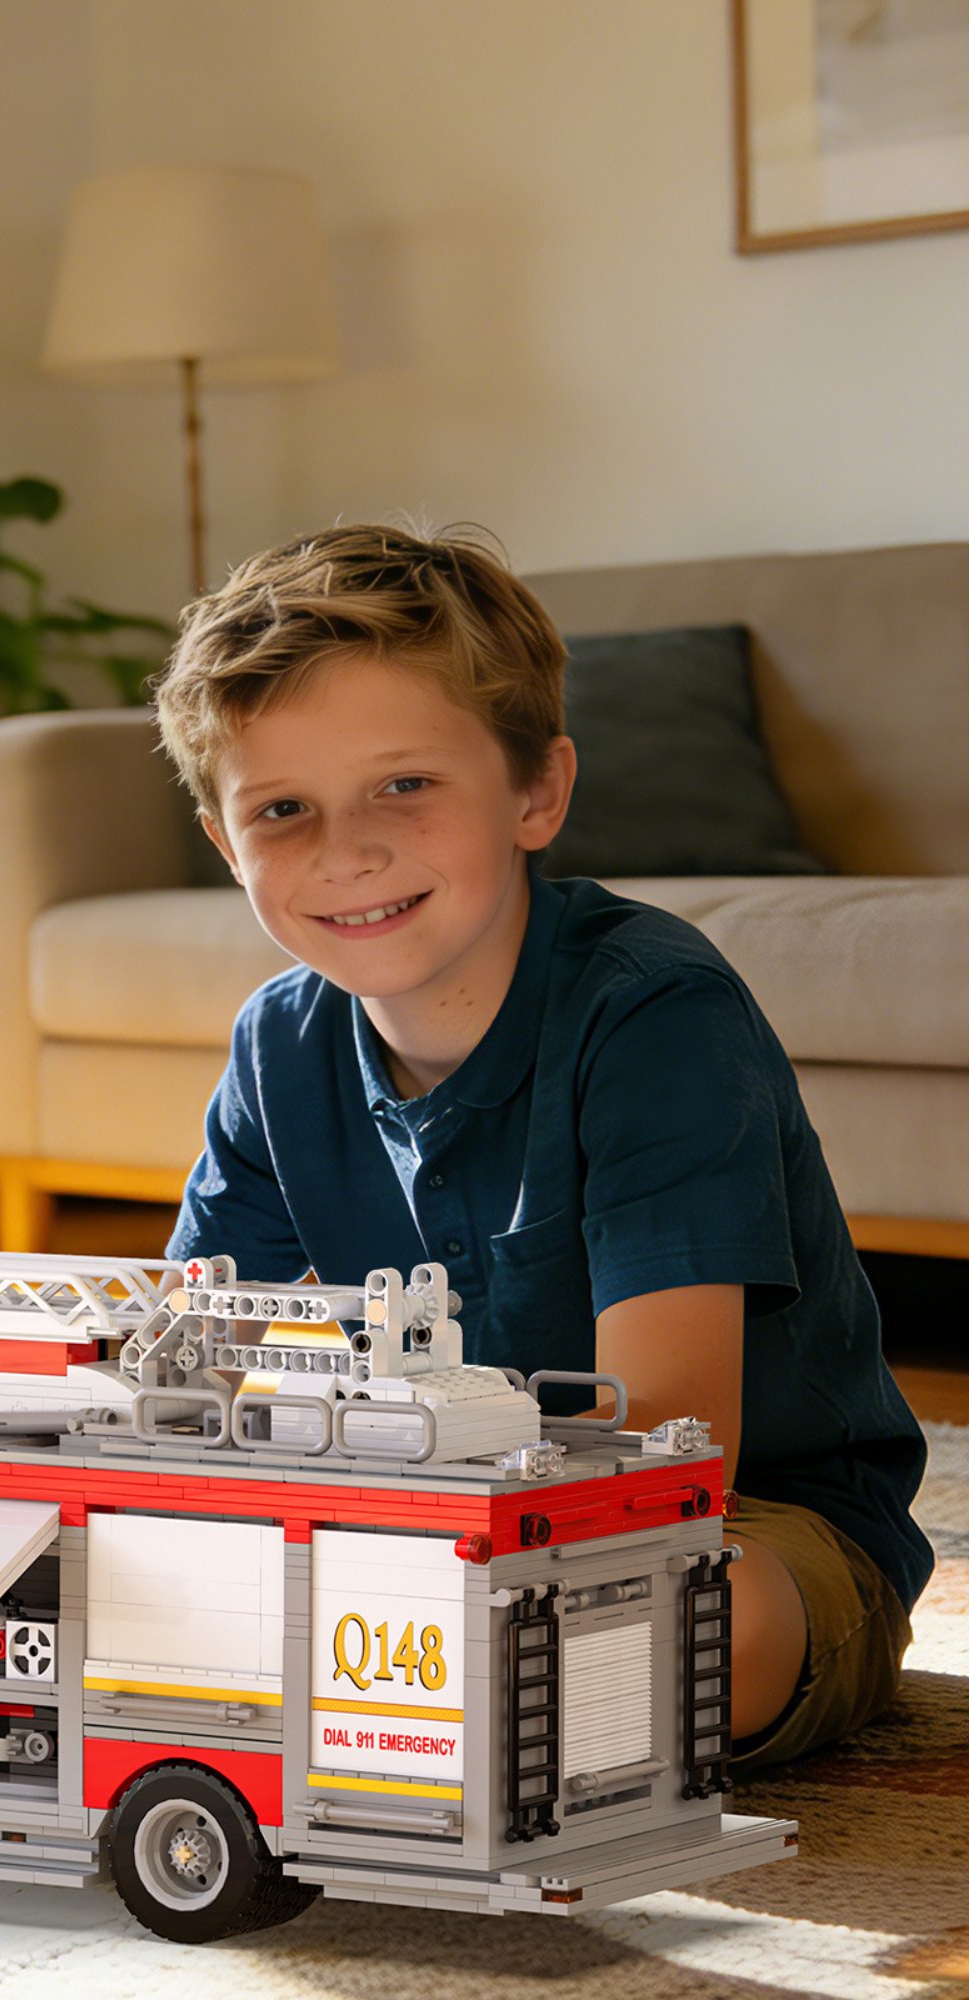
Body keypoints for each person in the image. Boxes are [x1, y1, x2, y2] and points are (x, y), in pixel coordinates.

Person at [152, 521, 930, 1771]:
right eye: (282, 809)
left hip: (739, 1521)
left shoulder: (653, 1011)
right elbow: (186, 1364)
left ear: (536, 791)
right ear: (221, 840)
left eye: (402, 785)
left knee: (664, 1634)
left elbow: (667, 1447)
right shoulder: (274, 1046)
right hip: (422, 1521)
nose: (344, 849)